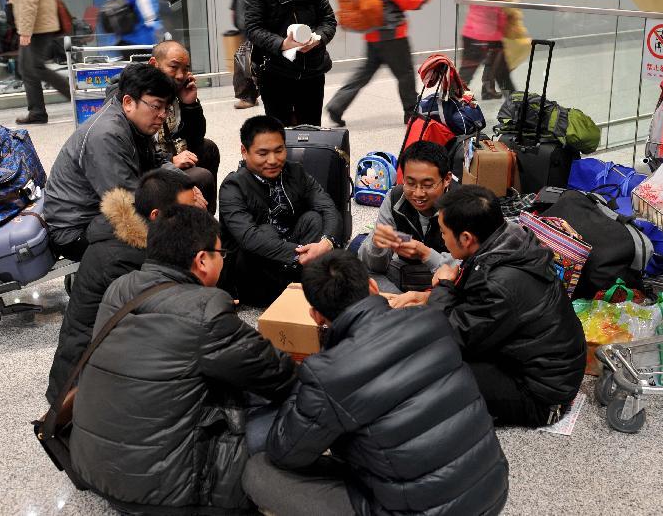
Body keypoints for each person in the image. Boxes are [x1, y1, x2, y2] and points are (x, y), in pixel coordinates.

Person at [242, 250, 509, 516]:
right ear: (372, 285)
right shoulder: (432, 320)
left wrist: (312, 371)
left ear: (315, 315)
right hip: (491, 489)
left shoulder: (329, 372)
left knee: (259, 472)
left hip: (416, 511)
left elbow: (286, 452)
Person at [69, 205, 296, 513]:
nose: (222, 259)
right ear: (202, 260)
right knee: (301, 406)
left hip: (96, 470)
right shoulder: (206, 308)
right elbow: (277, 374)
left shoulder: (120, 289)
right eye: (221, 253)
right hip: (166, 493)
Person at [393, 185, 587, 427]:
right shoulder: (510, 241)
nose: (442, 238)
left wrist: (443, 285)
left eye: (443, 232)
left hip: (541, 396)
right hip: (540, 368)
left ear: (466, 238)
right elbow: (471, 310)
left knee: (426, 369)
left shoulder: (499, 283)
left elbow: (446, 336)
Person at [45, 169, 204, 405]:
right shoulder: (126, 259)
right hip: (84, 385)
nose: (197, 214)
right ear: (156, 215)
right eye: (188, 210)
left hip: (105, 361)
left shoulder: (139, 236)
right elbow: (152, 326)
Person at [43, 62, 174, 261]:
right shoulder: (106, 135)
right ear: (129, 102)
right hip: (75, 229)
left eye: (166, 108)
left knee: (191, 188)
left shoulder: (136, 123)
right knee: (175, 234)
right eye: (157, 106)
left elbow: (155, 162)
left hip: (100, 211)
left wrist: (185, 187)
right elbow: (125, 202)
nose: (163, 115)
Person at [219, 115, 340, 305]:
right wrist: (301, 253)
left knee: (313, 219)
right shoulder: (233, 186)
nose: (273, 160)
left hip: (291, 258)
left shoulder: (296, 172)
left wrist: (326, 243)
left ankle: (303, 283)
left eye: (279, 150)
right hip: (253, 273)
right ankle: (299, 285)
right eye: (263, 153)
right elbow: (248, 237)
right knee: (266, 231)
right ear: (244, 151)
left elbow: (328, 207)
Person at [326, 0, 434, 127]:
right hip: (391, 32)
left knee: (365, 72)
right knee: (405, 73)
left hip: (374, 31)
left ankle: (337, 105)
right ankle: (411, 113)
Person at [244, 0, 337, 126]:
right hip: (275, 73)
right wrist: (282, 44)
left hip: (312, 71)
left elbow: (329, 20)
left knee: (311, 130)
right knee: (279, 131)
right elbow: (253, 28)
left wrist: (318, 39)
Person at [357, 141, 456, 293]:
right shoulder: (395, 198)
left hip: (447, 283)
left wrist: (426, 254)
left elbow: (470, 268)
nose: (418, 193)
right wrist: (377, 244)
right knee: (360, 270)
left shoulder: (462, 206)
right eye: (410, 183)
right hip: (404, 276)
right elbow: (373, 268)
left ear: (447, 179)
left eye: (427, 185)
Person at [0, 0, 71, 124]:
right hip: (39, 25)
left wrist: (25, 31)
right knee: (29, 68)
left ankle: (73, 97)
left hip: (38, 27)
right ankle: (38, 112)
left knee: (35, 68)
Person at [149, 40, 221, 213]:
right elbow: (138, 149)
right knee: (202, 177)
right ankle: (195, 225)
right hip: (149, 166)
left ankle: (205, 220)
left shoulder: (174, 92)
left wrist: (190, 105)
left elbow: (195, 139)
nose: (181, 76)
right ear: (154, 64)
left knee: (208, 148)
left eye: (185, 68)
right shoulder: (140, 94)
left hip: (168, 154)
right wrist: (169, 161)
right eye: (174, 67)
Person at [459, 0, 516, 100]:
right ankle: (517, 108)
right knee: (469, 76)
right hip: (481, 35)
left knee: (497, 72)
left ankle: (509, 102)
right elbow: (496, 7)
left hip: (484, 34)